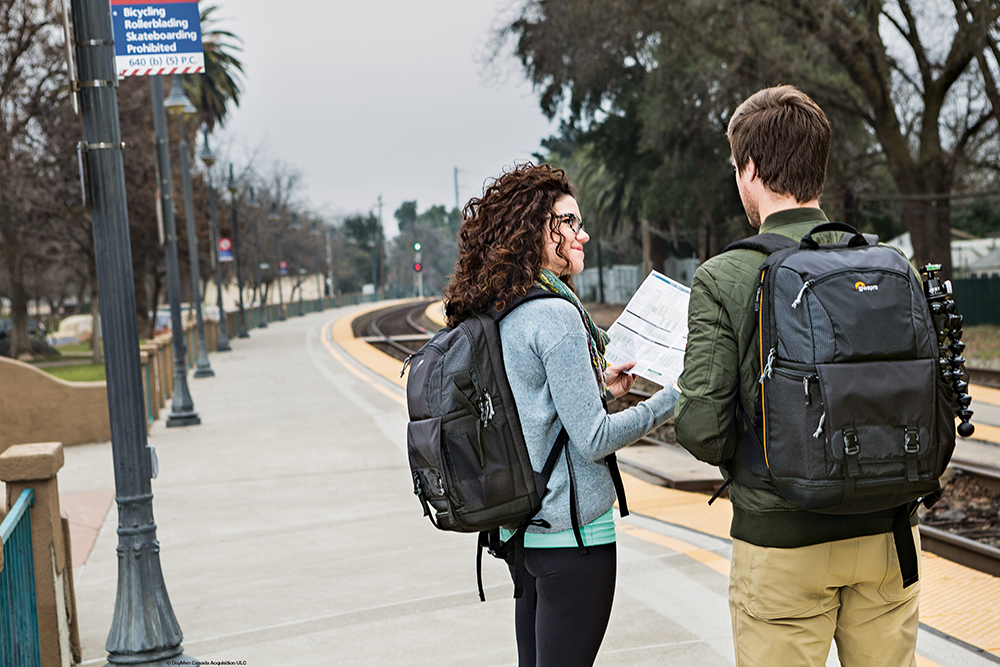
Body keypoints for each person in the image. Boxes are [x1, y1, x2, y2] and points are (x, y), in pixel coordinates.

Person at [673, 85, 921, 667]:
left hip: (781, 544)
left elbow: (702, 430)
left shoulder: (724, 275)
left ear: (751, 168)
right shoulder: (892, 266)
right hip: (888, 539)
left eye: (737, 168)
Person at [443, 162, 678, 667]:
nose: (582, 234)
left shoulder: (505, 307)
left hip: (521, 534)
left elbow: (535, 414)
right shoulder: (557, 314)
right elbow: (593, 440)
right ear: (533, 232)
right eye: (567, 222)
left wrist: (600, 391)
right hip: (574, 541)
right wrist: (671, 397)